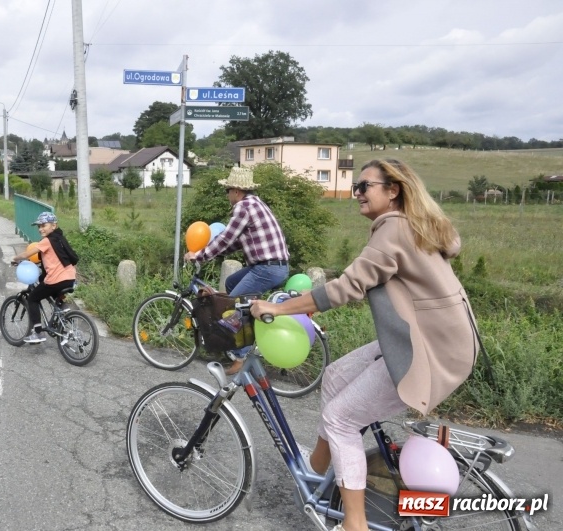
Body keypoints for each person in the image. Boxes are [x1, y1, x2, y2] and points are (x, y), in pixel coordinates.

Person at [250, 159, 480, 531]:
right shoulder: (413, 225)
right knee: (335, 374)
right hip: (436, 340)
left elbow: (346, 288)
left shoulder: (394, 230)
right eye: (356, 186)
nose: (357, 193)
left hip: (429, 351)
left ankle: (354, 524)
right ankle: (320, 473)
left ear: (393, 191)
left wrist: (278, 309)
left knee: (340, 419)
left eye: (365, 186)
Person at [183, 166, 290, 375]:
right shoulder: (255, 203)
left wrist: (201, 255)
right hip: (272, 266)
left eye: (228, 190)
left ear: (237, 191)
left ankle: (242, 356)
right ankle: (243, 341)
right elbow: (236, 243)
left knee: (234, 307)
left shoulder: (243, 207)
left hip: (267, 269)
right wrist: (211, 254)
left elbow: (225, 238)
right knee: (232, 283)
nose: (227, 195)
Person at [11, 212, 79, 344]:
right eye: (39, 226)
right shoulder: (60, 238)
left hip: (57, 279)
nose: (41, 229)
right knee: (50, 289)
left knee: (33, 298)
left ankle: (38, 333)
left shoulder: (47, 241)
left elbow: (28, 254)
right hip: (70, 278)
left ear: (54, 225)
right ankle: (63, 310)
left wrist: (15, 258)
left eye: (44, 225)